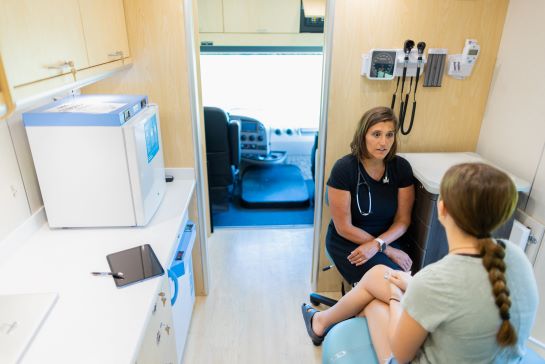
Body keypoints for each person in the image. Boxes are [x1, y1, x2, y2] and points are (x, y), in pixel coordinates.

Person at [302, 163, 539, 363]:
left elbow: (401, 355)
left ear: (442, 207)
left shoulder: (435, 280)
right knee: (379, 274)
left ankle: (321, 322)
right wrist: (413, 285)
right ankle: (321, 321)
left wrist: (397, 297)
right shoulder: (516, 257)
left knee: (374, 303)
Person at [326, 106, 414, 285]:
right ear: (363, 135)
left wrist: (379, 245)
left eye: (389, 134)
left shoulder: (401, 168)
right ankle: (328, 315)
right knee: (389, 285)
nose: (384, 142)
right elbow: (343, 227)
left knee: (396, 284)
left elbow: (403, 221)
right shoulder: (344, 168)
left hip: (387, 238)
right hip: (349, 241)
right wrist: (384, 249)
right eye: (376, 134)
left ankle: (321, 315)